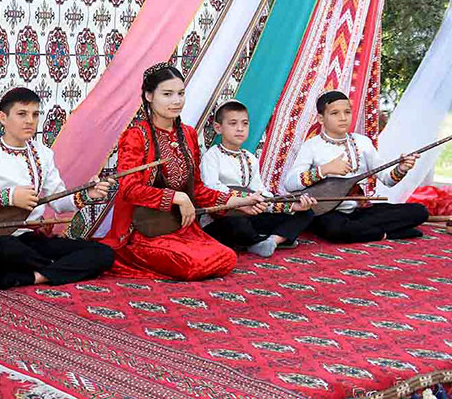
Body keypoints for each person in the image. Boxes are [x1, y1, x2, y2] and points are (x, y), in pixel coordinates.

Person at [98, 63, 261, 280]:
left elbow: (199, 189)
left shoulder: (188, 134)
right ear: (149, 96)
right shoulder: (136, 135)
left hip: (180, 227)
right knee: (190, 265)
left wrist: (237, 202)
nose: (176, 101)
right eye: (167, 94)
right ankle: (125, 256)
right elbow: (129, 190)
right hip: (143, 230)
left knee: (227, 257)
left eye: (181, 94)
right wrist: (176, 197)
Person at [0, 87, 115, 289]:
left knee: (103, 253)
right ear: (3, 118)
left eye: (35, 114)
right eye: (22, 114)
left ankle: (33, 277)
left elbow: (57, 201)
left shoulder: (43, 154)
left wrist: (87, 194)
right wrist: (9, 197)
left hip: (31, 238)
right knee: (7, 249)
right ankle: (58, 269)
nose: (30, 121)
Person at [282, 90, 428, 242]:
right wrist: (323, 170)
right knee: (334, 229)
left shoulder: (363, 142)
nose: (343, 118)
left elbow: (387, 180)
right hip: (330, 213)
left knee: (420, 211)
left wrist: (401, 169)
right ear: (320, 118)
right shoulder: (311, 146)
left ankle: (362, 231)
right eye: (335, 113)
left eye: (347, 112)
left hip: (361, 210)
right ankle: (386, 233)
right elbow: (290, 184)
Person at [200, 100, 316, 257]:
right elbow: (211, 188)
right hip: (221, 219)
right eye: (233, 123)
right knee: (238, 224)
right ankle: (263, 241)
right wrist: (244, 200)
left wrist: (290, 207)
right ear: (218, 128)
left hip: (250, 214)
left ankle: (272, 241)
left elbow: (260, 193)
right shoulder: (212, 156)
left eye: (245, 124)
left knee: (306, 213)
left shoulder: (250, 158)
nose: (240, 129)